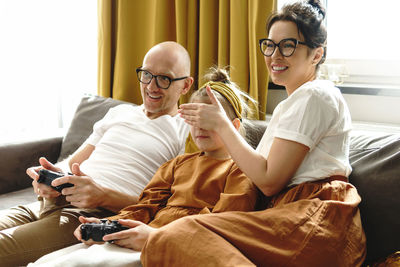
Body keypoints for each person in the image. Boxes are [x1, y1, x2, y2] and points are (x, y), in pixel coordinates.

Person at [141, 1, 367, 266]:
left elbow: (269, 181)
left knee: (176, 235)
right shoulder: (293, 103)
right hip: (290, 213)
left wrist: (221, 125)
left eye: (288, 46)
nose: (275, 55)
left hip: (315, 217)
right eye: (270, 45)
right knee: (174, 235)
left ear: (317, 55)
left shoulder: (315, 95)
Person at [28, 68, 259, 266]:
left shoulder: (241, 171)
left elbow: (222, 225)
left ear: (234, 126)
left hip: (176, 246)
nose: (200, 127)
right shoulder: (178, 165)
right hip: (139, 236)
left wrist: (156, 236)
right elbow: (146, 205)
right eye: (193, 118)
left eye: (208, 119)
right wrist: (111, 224)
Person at [0, 41, 194, 266]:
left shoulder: (187, 131)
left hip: (92, 214)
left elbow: (172, 208)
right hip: (49, 202)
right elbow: (74, 161)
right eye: (147, 74)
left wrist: (103, 196)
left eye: (164, 78)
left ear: (186, 85)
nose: (151, 86)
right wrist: (53, 175)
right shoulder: (119, 113)